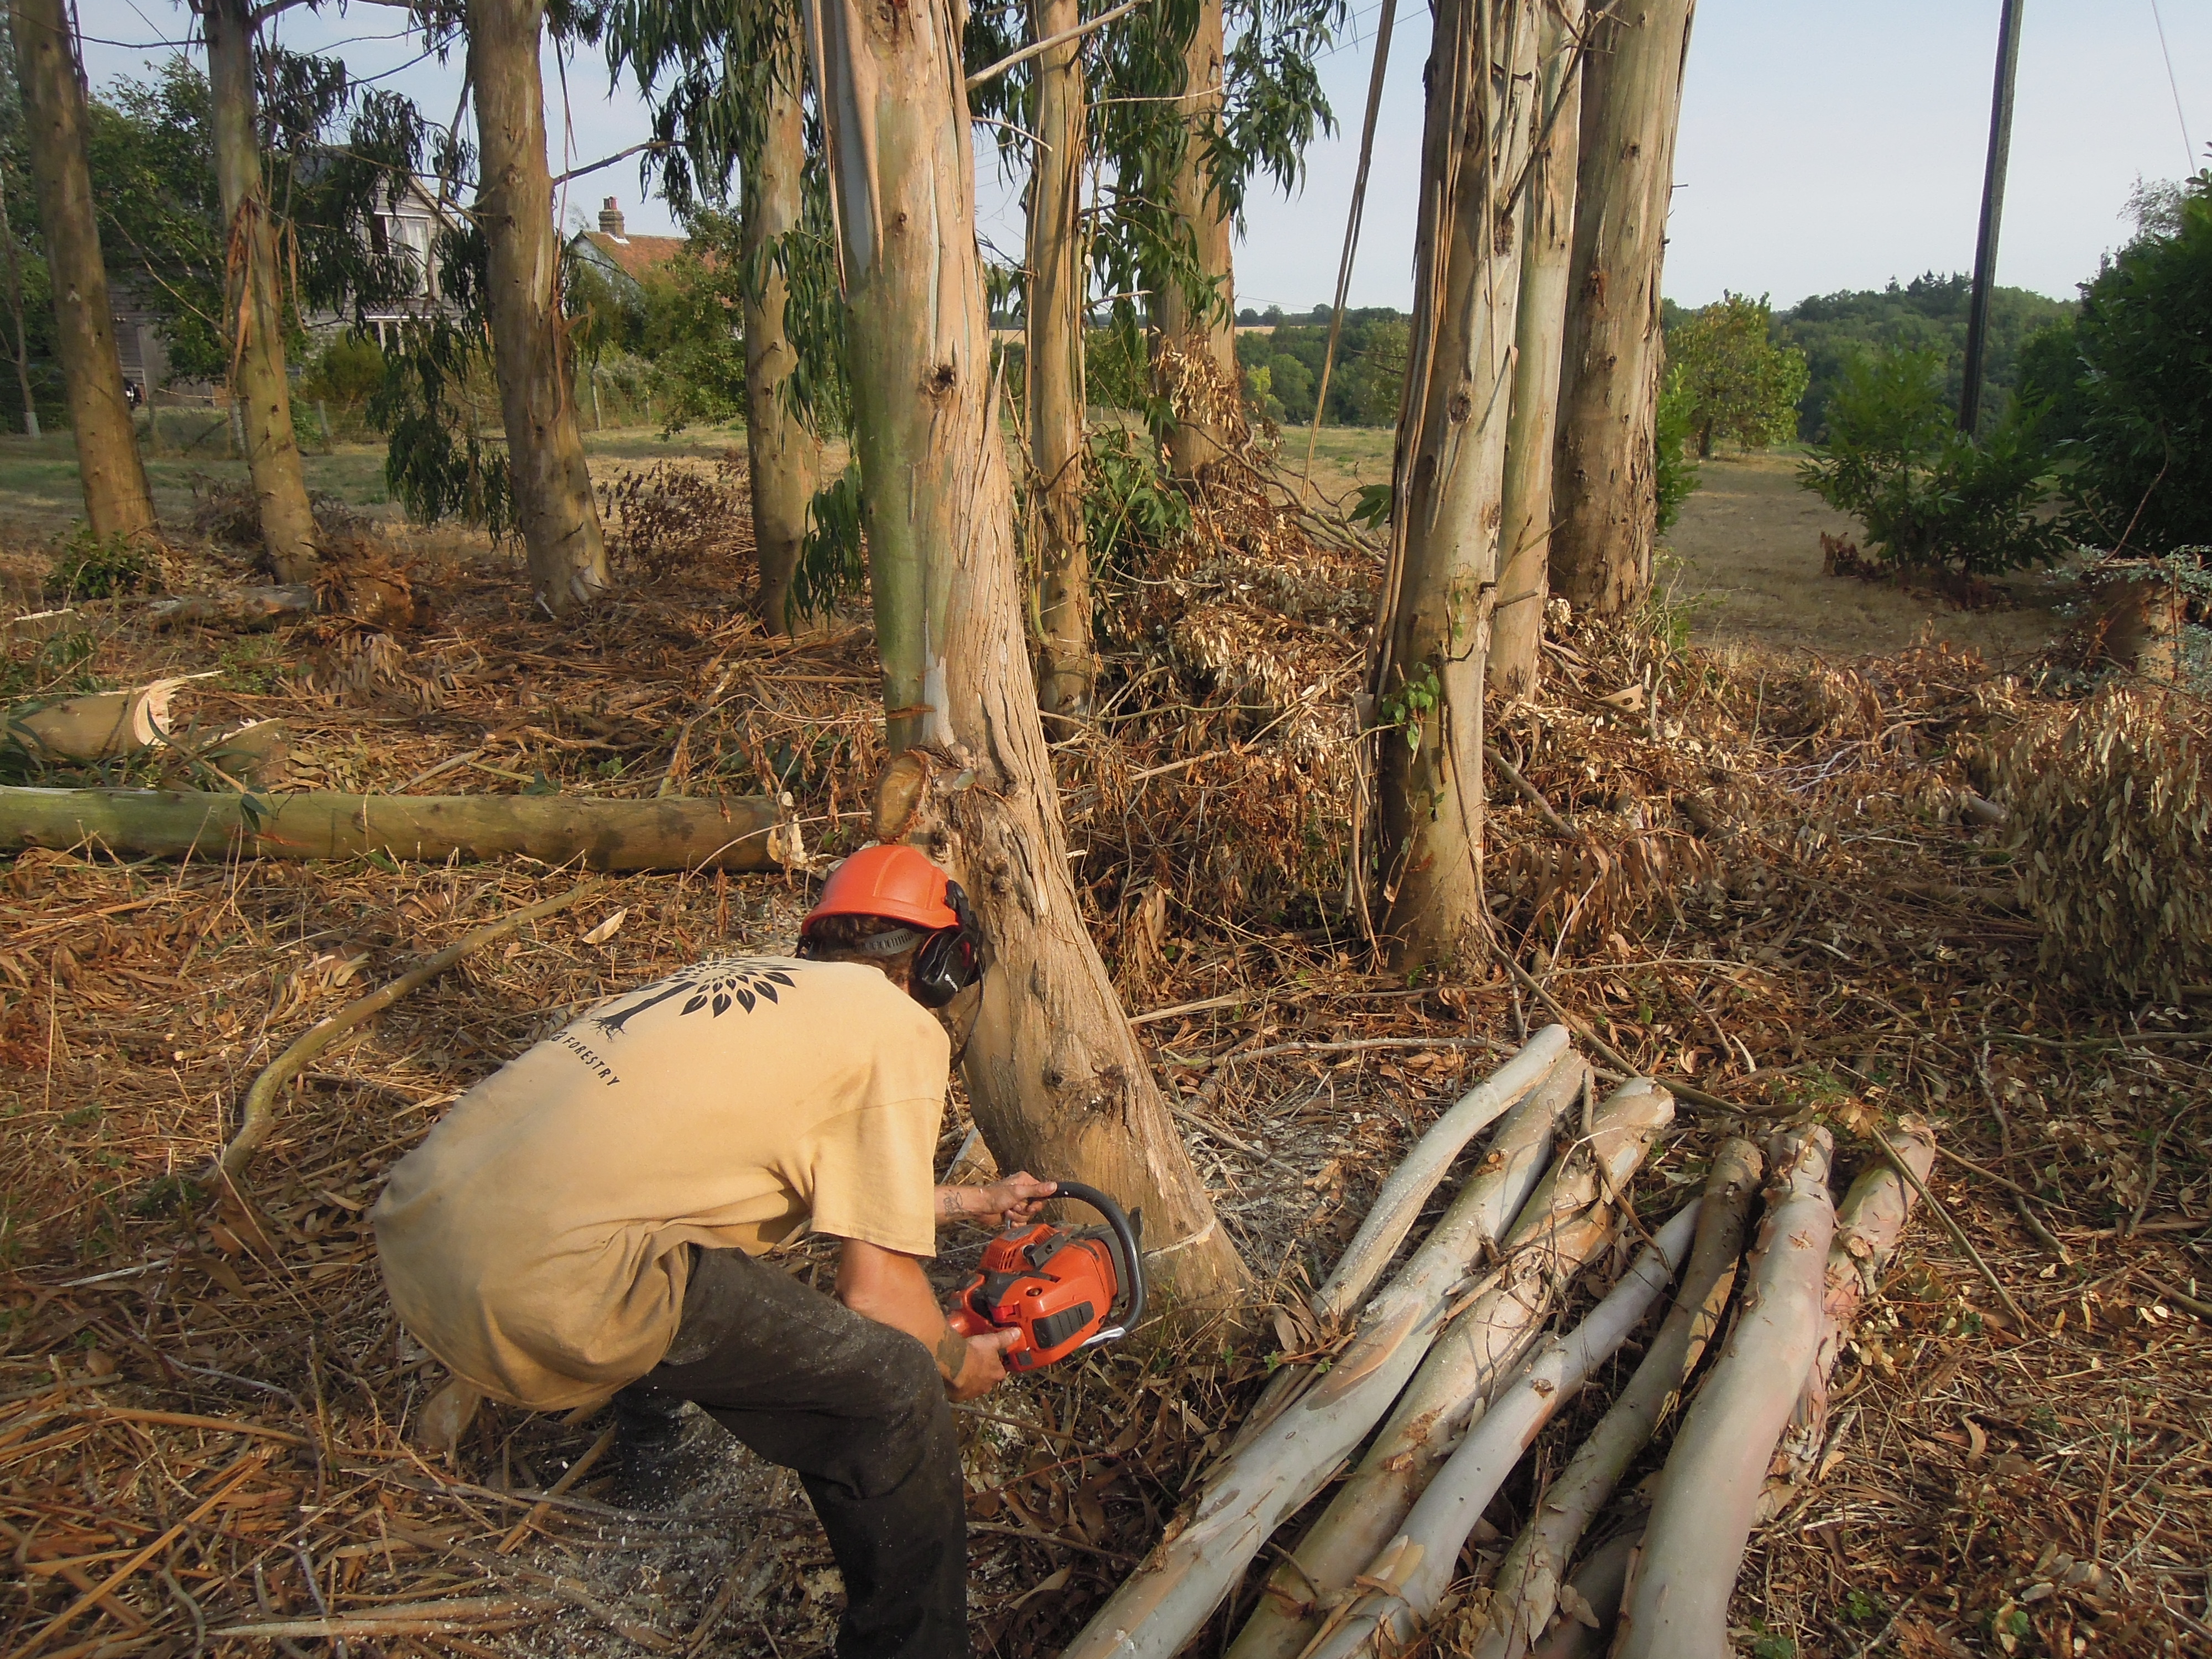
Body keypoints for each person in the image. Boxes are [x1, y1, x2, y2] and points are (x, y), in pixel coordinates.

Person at [372, 844, 1053, 1659]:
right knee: (895, 1386)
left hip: (422, 1224)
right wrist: (955, 1361)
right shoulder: (898, 1026)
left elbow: (803, 1185)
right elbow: (874, 1294)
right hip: (538, 1284)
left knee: (688, 1245)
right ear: (941, 963)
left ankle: (653, 1464)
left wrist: (969, 1201)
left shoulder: (741, 987)